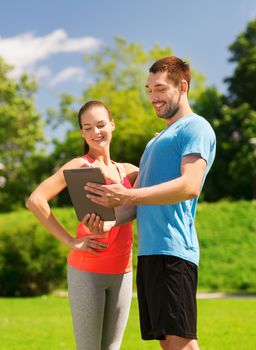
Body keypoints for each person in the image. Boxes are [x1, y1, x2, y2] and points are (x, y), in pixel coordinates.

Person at [84, 56, 216, 350]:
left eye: (160, 89)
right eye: (149, 90)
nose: (153, 98)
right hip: (150, 254)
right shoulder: (154, 142)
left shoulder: (196, 128)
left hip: (174, 250)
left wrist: (127, 194)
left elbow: (190, 185)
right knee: (168, 344)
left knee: (182, 343)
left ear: (182, 87)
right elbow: (138, 202)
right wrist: (107, 220)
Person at [26, 100, 138, 350]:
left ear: (112, 125)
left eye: (100, 125)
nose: (95, 132)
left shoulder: (129, 171)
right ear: (82, 133)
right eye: (88, 128)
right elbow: (35, 200)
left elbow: (147, 201)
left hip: (123, 270)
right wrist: (69, 240)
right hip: (88, 269)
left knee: (112, 348)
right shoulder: (80, 166)